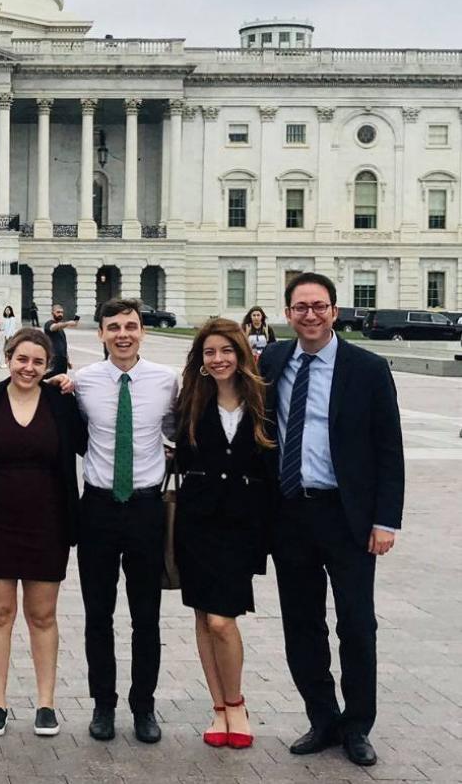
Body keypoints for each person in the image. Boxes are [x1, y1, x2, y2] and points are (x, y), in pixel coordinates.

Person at [259, 273, 404, 769]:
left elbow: (389, 448)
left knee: (357, 624)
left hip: (348, 518)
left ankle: (357, 724)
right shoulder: (272, 361)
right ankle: (322, 717)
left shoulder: (367, 367)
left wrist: (386, 520)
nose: (310, 315)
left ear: (334, 311)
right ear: (288, 313)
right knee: (302, 624)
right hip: (291, 513)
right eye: (300, 307)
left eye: (319, 306)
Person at [63, 296, 178, 745]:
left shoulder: (166, 381)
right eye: (114, 327)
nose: (123, 334)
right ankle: (103, 704)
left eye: (131, 325)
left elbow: (176, 427)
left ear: (142, 331)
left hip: (147, 508)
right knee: (98, 615)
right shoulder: (83, 382)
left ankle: (144, 706)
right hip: (98, 508)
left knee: (146, 616)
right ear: (101, 334)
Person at [0, 328, 84, 739]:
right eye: (22, 359)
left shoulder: (61, 403)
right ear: (8, 357)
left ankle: (46, 703)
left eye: (38, 361)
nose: (29, 368)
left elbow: (89, 444)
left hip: (48, 521)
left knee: (42, 615)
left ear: (48, 365)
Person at [172, 318, 273, 751]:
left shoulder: (263, 400)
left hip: (241, 525)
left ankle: (237, 702)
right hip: (196, 522)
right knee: (202, 616)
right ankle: (219, 708)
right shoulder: (190, 401)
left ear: (241, 354)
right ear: (200, 360)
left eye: (226, 351)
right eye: (210, 353)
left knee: (221, 620)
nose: (218, 360)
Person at [43, 305, 77, 378]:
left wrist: (67, 360)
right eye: (58, 312)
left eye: (62, 312)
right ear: (52, 313)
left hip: (62, 360)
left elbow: (63, 345)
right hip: (54, 360)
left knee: (61, 380)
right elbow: (53, 327)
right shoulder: (48, 324)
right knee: (51, 379)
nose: (60, 314)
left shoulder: (61, 330)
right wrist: (67, 323)